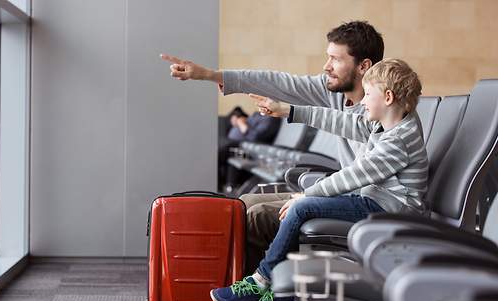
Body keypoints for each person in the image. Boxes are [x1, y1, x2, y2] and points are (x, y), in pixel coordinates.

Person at [161, 21, 396, 275]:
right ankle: (234, 294)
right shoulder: (336, 93)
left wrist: (310, 194)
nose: (326, 67)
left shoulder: (381, 111)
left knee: (256, 215)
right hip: (340, 192)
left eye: (335, 60)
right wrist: (210, 75)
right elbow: (279, 82)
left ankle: (255, 292)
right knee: (242, 204)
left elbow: (362, 172)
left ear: (364, 66)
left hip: (358, 200)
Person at [219, 106, 280, 192]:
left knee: (217, 156)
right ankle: (224, 186)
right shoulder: (257, 114)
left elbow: (255, 138)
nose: (258, 103)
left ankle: (220, 187)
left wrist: (242, 124)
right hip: (233, 142)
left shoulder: (271, 118)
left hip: (241, 145)